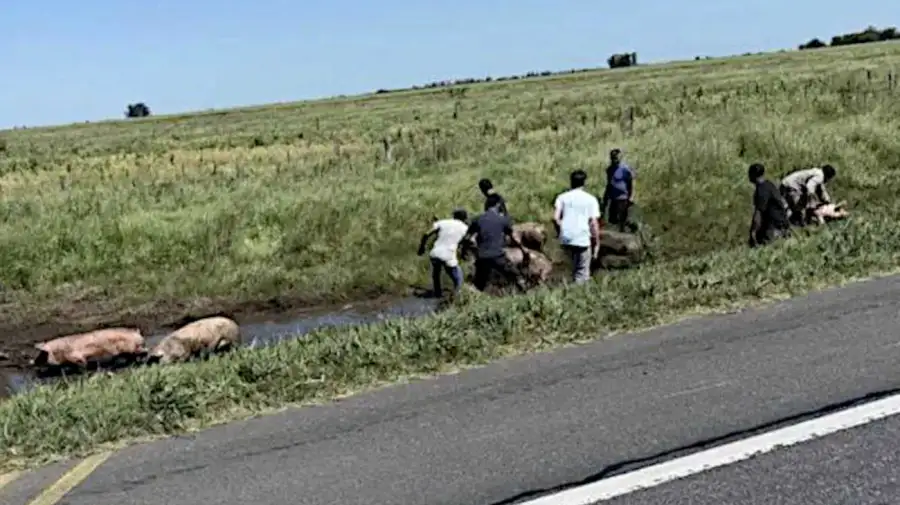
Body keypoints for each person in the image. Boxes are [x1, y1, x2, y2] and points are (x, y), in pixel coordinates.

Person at [464, 193, 526, 292]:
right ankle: (525, 294)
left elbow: (467, 238)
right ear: (498, 205)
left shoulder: (477, 219)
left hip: (482, 257)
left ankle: (470, 297)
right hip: (497, 256)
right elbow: (512, 236)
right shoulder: (502, 220)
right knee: (516, 276)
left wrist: (473, 251)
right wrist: (523, 249)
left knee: (478, 285)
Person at [553, 169, 602, 284]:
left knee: (570, 269)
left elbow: (555, 218)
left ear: (571, 182)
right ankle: (577, 291)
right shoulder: (591, 199)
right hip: (582, 238)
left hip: (566, 238)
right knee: (582, 272)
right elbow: (593, 223)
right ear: (584, 182)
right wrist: (597, 242)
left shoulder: (562, 197)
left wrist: (562, 229)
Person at [417, 209, 470, 298]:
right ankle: (457, 294)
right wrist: (464, 254)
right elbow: (467, 242)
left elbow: (426, 234)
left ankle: (437, 293)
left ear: (454, 216)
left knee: (436, 273)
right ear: (465, 218)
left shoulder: (442, 222)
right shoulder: (465, 228)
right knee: (458, 277)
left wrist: (422, 247)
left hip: (435, 253)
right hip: (448, 255)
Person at [748, 163, 791, 248]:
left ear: (753, 174)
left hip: (773, 229)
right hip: (783, 224)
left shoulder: (761, 190)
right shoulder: (769, 185)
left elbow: (758, 214)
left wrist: (753, 232)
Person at [601, 148, 635, 232]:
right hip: (613, 198)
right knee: (612, 220)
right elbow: (609, 183)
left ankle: (626, 229)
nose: (614, 159)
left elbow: (631, 182)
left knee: (622, 220)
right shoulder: (609, 169)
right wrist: (605, 196)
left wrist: (631, 196)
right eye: (613, 157)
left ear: (620, 157)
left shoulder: (626, 169)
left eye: (616, 157)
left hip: (623, 198)